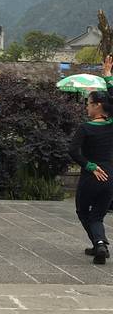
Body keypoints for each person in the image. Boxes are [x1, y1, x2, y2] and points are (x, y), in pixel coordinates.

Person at [68, 55, 113, 264]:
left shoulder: (85, 128)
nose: (86, 107)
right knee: (98, 215)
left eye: (88, 104)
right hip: (110, 176)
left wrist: (89, 165)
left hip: (91, 177)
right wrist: (108, 77)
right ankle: (99, 244)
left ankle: (99, 243)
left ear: (97, 106)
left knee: (83, 211)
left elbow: (73, 150)